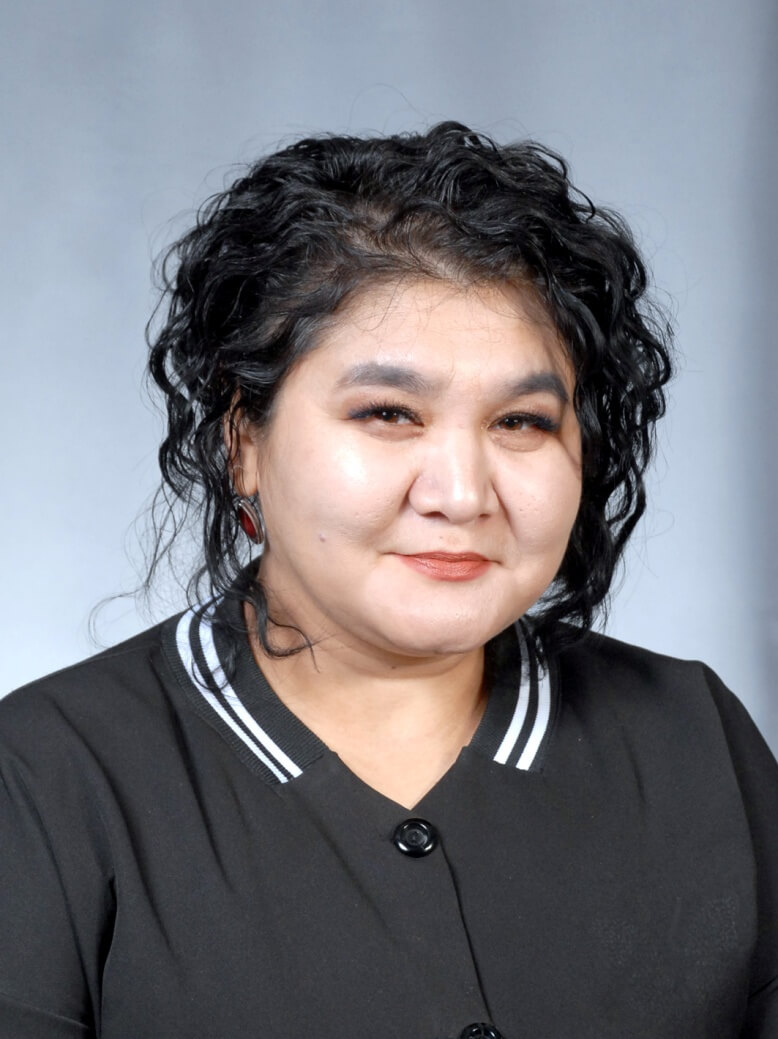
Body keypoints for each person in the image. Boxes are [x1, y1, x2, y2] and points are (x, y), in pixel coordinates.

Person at [1, 122, 776, 1039]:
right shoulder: (45, 775)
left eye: (522, 422)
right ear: (242, 440)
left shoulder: (693, 738)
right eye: (389, 413)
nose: (462, 493)